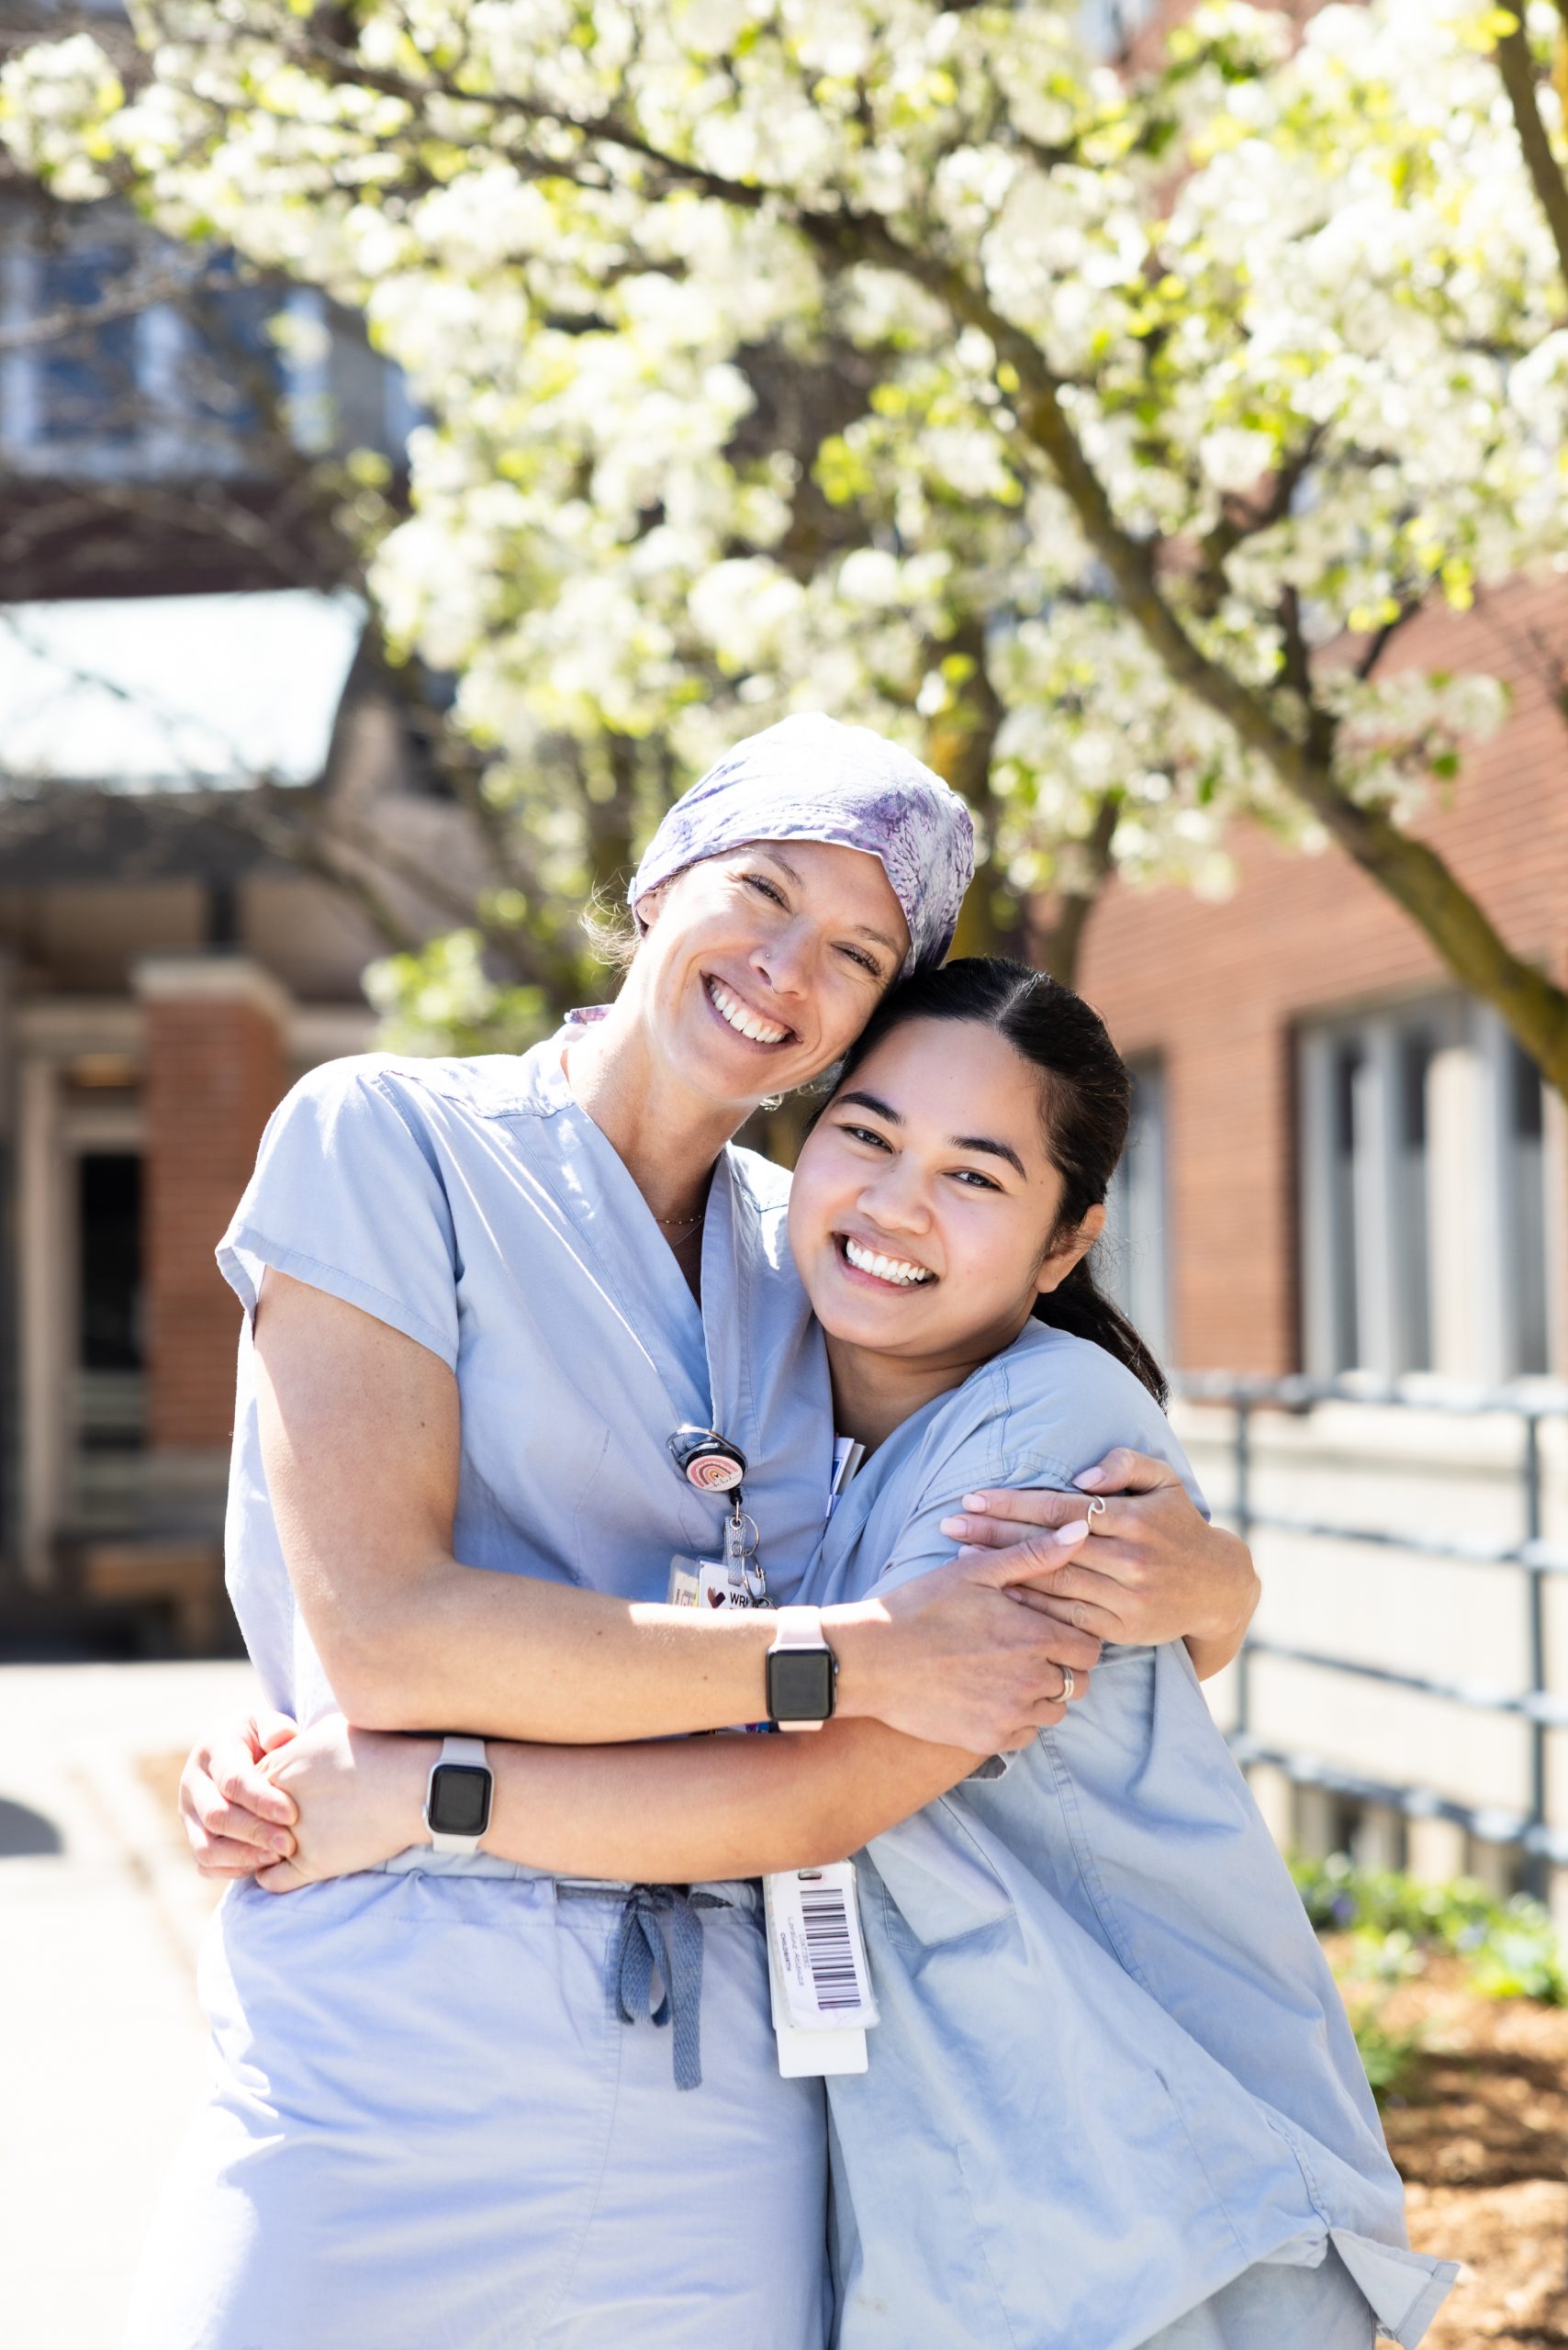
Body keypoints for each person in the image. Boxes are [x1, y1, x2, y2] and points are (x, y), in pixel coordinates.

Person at [143, 714, 1257, 2350]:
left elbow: (1031, 1519)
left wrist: (1223, 1582)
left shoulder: (827, 1250)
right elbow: (387, 1637)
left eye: (859, 953)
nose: (788, 965)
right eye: (761, 888)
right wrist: (858, 1661)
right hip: (386, 2046)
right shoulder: (386, 1140)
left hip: (732, 2091)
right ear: (658, 879)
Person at [231, 959, 1456, 2350]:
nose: (894, 1204)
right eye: (867, 1135)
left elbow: (814, 1793)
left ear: (1067, 1245)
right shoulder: (789, 1402)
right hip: (981, 2219)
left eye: (976, 1177)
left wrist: (420, 1796)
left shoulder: (1034, 1445)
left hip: (1157, 2210)